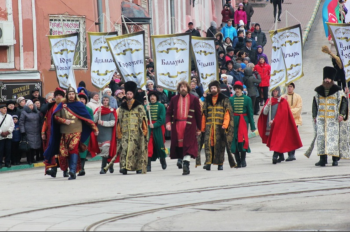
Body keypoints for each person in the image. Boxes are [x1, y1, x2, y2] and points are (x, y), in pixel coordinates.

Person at [43, 86, 99, 180]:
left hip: (76, 131)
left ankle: (72, 171)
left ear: (75, 95)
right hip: (64, 132)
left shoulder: (79, 105)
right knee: (65, 152)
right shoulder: (62, 105)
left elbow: (87, 118)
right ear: (67, 95)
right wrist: (64, 121)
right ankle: (68, 169)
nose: (71, 96)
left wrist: (95, 129)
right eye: (69, 94)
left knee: (73, 148)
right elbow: (55, 117)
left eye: (73, 94)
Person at [307, 67, 349, 167]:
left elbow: (343, 102)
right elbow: (315, 104)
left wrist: (342, 115)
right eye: (325, 78)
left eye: (329, 78)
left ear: (332, 79)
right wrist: (314, 115)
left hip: (333, 119)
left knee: (333, 139)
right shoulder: (318, 90)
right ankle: (322, 159)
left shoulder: (338, 91)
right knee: (321, 139)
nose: (327, 80)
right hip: (321, 119)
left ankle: (335, 159)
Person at [258, 87, 302, 164]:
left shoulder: (283, 101)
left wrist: (274, 120)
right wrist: (268, 105)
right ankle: (281, 156)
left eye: (276, 91)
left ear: (279, 92)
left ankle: (275, 156)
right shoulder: (269, 100)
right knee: (274, 140)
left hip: (279, 124)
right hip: (270, 124)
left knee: (277, 140)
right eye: (274, 91)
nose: (275, 92)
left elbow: (283, 114)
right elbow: (264, 113)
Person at [166, 81, 202, 175]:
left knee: (189, 145)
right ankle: (180, 158)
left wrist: (199, 128)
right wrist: (168, 123)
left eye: (185, 87)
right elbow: (169, 113)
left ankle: (186, 163)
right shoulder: (174, 99)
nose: (183, 88)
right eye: (181, 87)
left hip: (190, 125)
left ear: (188, 88)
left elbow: (198, 115)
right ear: (178, 89)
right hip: (177, 125)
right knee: (179, 145)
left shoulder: (194, 98)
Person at [201, 81, 234, 171]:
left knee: (220, 145)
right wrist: (203, 127)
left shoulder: (224, 99)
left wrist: (225, 125)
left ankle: (220, 164)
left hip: (220, 127)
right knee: (208, 145)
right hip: (209, 126)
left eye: (214, 88)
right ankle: (208, 163)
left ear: (218, 89)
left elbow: (227, 113)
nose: (213, 90)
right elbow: (204, 114)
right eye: (211, 88)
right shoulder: (207, 99)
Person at [117, 81, 148, 175]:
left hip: (137, 132)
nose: (129, 95)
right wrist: (119, 133)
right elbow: (119, 121)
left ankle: (139, 167)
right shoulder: (122, 107)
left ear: (133, 94)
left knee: (137, 150)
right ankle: (124, 167)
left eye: (130, 94)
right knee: (124, 149)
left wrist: (144, 132)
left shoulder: (139, 106)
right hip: (125, 133)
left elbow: (143, 119)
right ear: (125, 94)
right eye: (127, 94)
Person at [229, 81, 256, 168]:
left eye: (238, 89)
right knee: (234, 141)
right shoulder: (231, 99)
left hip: (243, 121)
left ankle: (243, 160)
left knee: (243, 140)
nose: (237, 90)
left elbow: (250, 113)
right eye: (235, 89)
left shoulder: (247, 99)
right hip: (234, 121)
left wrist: (252, 126)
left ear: (241, 89)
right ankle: (238, 161)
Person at [93, 95, 118, 175]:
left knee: (105, 151)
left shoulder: (112, 111)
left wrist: (103, 123)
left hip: (108, 134)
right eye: (104, 100)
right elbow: (93, 120)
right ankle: (110, 166)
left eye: (107, 100)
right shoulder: (98, 110)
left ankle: (103, 168)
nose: (105, 102)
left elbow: (113, 122)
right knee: (104, 151)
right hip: (100, 134)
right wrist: (97, 113)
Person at [145, 91, 167, 172]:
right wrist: (146, 111)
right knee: (149, 146)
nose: (152, 97)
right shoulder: (146, 106)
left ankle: (163, 160)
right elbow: (143, 117)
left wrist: (155, 125)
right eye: (151, 96)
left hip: (158, 128)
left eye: (154, 96)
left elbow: (162, 119)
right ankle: (148, 165)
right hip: (148, 128)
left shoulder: (161, 106)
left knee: (159, 145)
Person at [281, 83, 302, 162]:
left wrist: (289, 112)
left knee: (293, 137)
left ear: (293, 88)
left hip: (294, 120)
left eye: (291, 87)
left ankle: (291, 154)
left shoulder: (298, 97)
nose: (289, 88)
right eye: (288, 87)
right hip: (285, 120)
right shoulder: (283, 97)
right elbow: (281, 108)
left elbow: (299, 108)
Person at [19, 100, 42, 165]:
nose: (31, 107)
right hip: (28, 131)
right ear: (27, 106)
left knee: (35, 145)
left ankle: (33, 158)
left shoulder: (37, 112)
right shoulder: (24, 112)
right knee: (29, 146)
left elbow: (40, 121)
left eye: (32, 105)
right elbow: (21, 122)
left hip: (36, 131)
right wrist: (22, 131)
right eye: (30, 105)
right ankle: (29, 159)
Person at [77, 93, 94, 176]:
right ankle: (76, 168)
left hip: (85, 132)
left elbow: (91, 120)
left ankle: (81, 169)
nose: (81, 100)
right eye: (80, 98)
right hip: (75, 131)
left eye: (83, 99)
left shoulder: (89, 110)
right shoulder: (74, 108)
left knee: (83, 150)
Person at [0, 103, 14, 168]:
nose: (5, 109)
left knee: (8, 149)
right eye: (3, 108)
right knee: (1, 150)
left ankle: (7, 162)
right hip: (1, 136)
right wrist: (1, 133)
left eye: (5, 108)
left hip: (8, 136)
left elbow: (12, 125)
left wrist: (8, 132)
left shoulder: (9, 116)